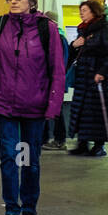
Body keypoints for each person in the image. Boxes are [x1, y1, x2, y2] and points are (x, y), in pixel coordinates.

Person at [0, 0, 65, 215]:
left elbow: (57, 70)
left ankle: (29, 206)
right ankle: (11, 209)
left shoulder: (46, 28)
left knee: (29, 159)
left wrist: (53, 105)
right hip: (4, 104)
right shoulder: (0, 25)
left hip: (34, 106)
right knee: (9, 157)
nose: (13, 2)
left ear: (31, 1)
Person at [68, 0, 108, 157]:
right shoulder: (84, 29)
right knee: (83, 112)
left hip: (100, 80)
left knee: (97, 114)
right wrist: (74, 45)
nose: (81, 14)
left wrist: (102, 72)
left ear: (94, 11)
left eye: (84, 11)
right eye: (80, 11)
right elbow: (76, 52)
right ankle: (82, 143)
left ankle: (99, 146)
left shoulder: (106, 28)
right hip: (84, 78)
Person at [42, 10, 70, 150]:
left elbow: (60, 62)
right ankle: (46, 138)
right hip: (51, 80)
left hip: (54, 81)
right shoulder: (59, 37)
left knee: (57, 110)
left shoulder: (58, 38)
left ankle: (60, 140)